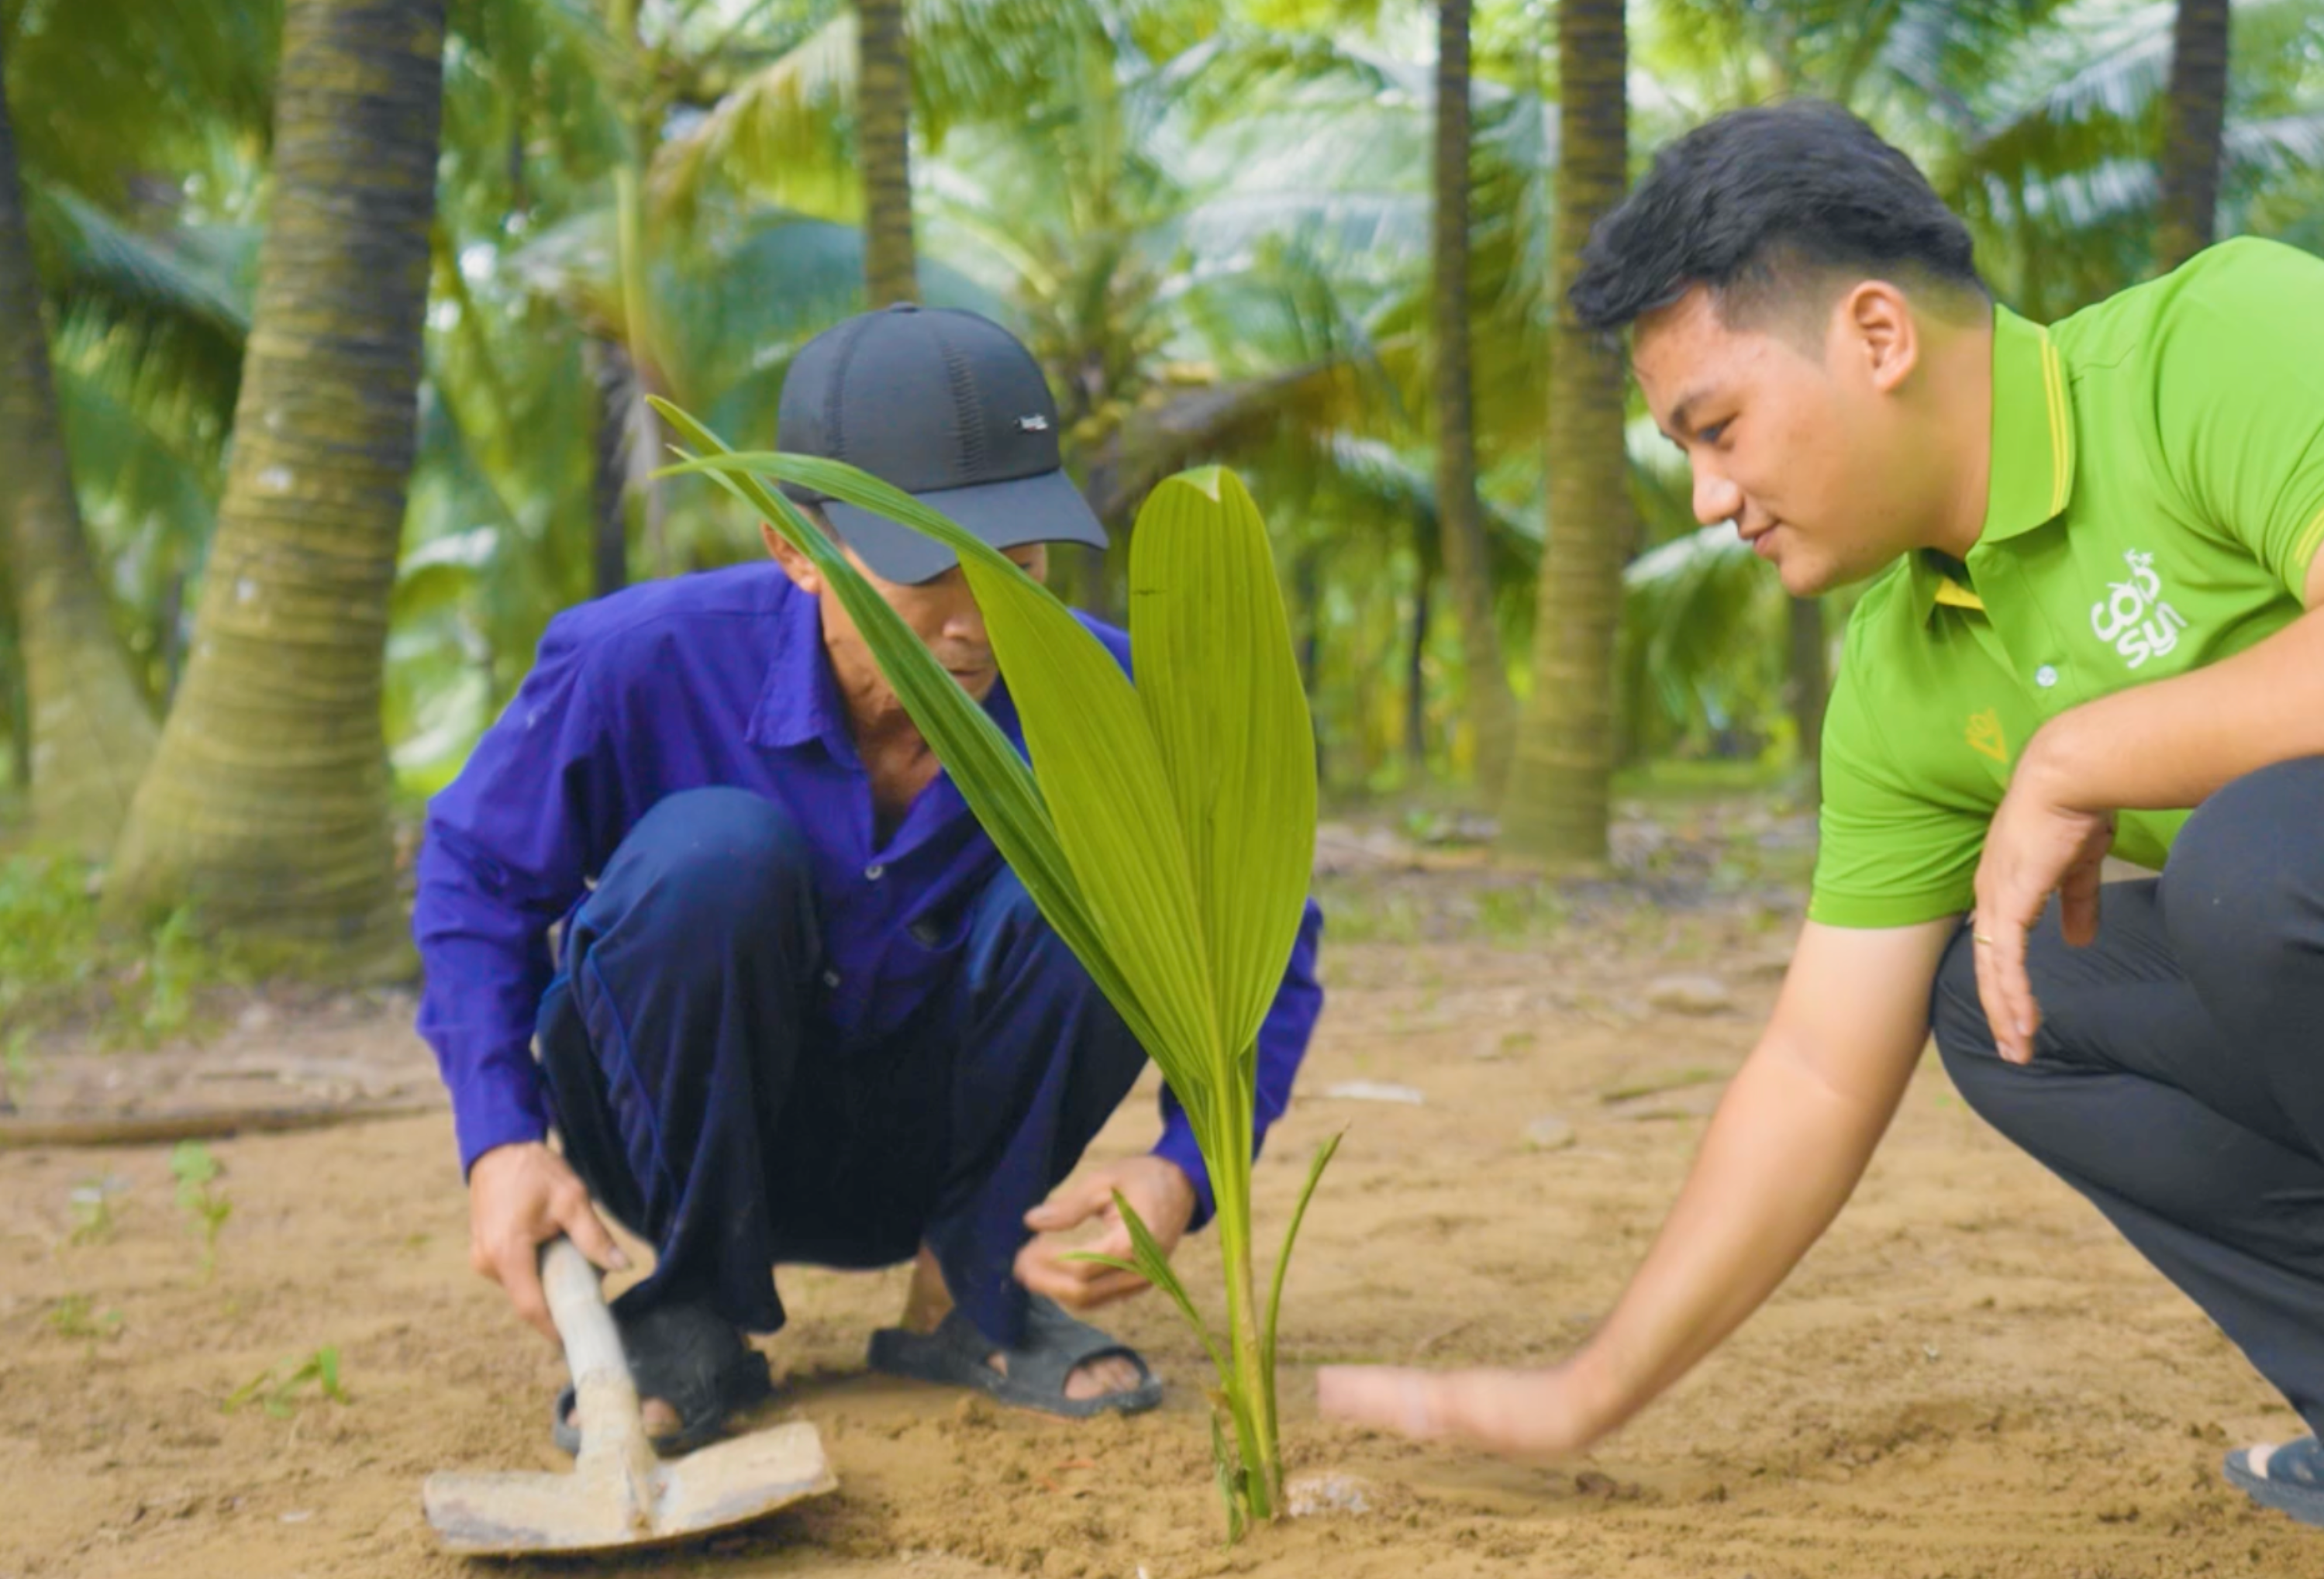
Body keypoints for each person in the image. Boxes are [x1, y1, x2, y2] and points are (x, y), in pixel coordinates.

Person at [1318, 99, 2324, 1528]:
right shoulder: (1904, 668)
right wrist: (1587, 1391)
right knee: (2006, 997)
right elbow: (1812, 1069)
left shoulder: (2212, 345)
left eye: (1715, 428)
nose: (1707, 498)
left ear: (1875, 336)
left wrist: (2078, 754)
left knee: (2255, 861)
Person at [413, 302, 1325, 1449]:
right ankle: (691, 1309)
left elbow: (1264, 932)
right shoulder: (638, 661)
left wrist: (1182, 1173)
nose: (980, 613)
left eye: (1018, 558)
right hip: (680, 1147)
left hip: (948, 1150)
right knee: (714, 858)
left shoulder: (1118, 707)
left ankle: (971, 1292)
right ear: (793, 547)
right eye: (926, 566)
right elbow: (475, 880)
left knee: (1099, 861)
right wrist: (501, 1141)